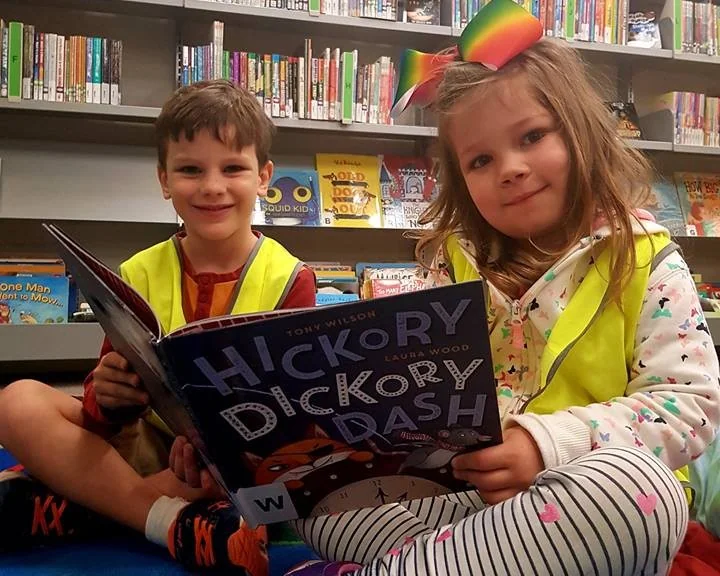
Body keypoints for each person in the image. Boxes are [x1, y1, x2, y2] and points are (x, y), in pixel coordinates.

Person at [284, 1, 720, 574]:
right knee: (322, 498)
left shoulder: (644, 259)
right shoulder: (452, 264)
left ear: (583, 135)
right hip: (466, 506)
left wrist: (545, 444)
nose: (510, 168)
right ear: (461, 181)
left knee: (642, 493)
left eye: (533, 136)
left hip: (580, 501)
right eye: (481, 159)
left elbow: (691, 406)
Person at [0, 79, 316, 574]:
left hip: (225, 466)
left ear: (264, 177)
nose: (212, 186)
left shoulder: (292, 278)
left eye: (233, 168)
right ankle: (163, 520)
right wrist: (105, 398)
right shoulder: (136, 272)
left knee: (256, 475)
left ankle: (82, 507)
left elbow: (294, 415)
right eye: (190, 170)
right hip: (143, 448)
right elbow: (105, 408)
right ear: (164, 180)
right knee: (15, 401)